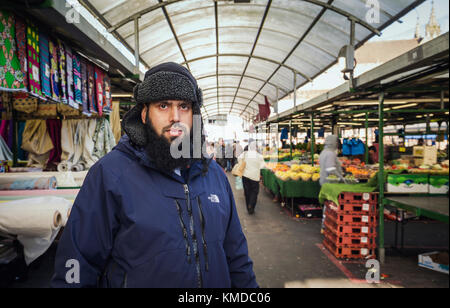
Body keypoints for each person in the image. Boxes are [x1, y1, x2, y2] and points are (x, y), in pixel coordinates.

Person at [51, 62, 257, 288]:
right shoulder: (110, 175)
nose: (175, 116)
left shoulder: (214, 175)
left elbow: (236, 256)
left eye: (184, 106)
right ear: (143, 114)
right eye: (163, 105)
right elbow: (78, 262)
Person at [319, 135, 344, 233]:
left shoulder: (324, 152)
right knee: (331, 204)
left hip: (324, 181)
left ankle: (325, 225)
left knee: (328, 203)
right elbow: (330, 169)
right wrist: (341, 177)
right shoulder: (330, 154)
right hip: (331, 182)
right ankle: (326, 225)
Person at [238, 140, 266, 215]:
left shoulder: (245, 154)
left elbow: (239, 159)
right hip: (255, 176)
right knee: (254, 192)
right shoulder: (259, 156)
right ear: (256, 148)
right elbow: (263, 166)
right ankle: (251, 206)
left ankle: (248, 207)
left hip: (245, 176)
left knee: (247, 192)